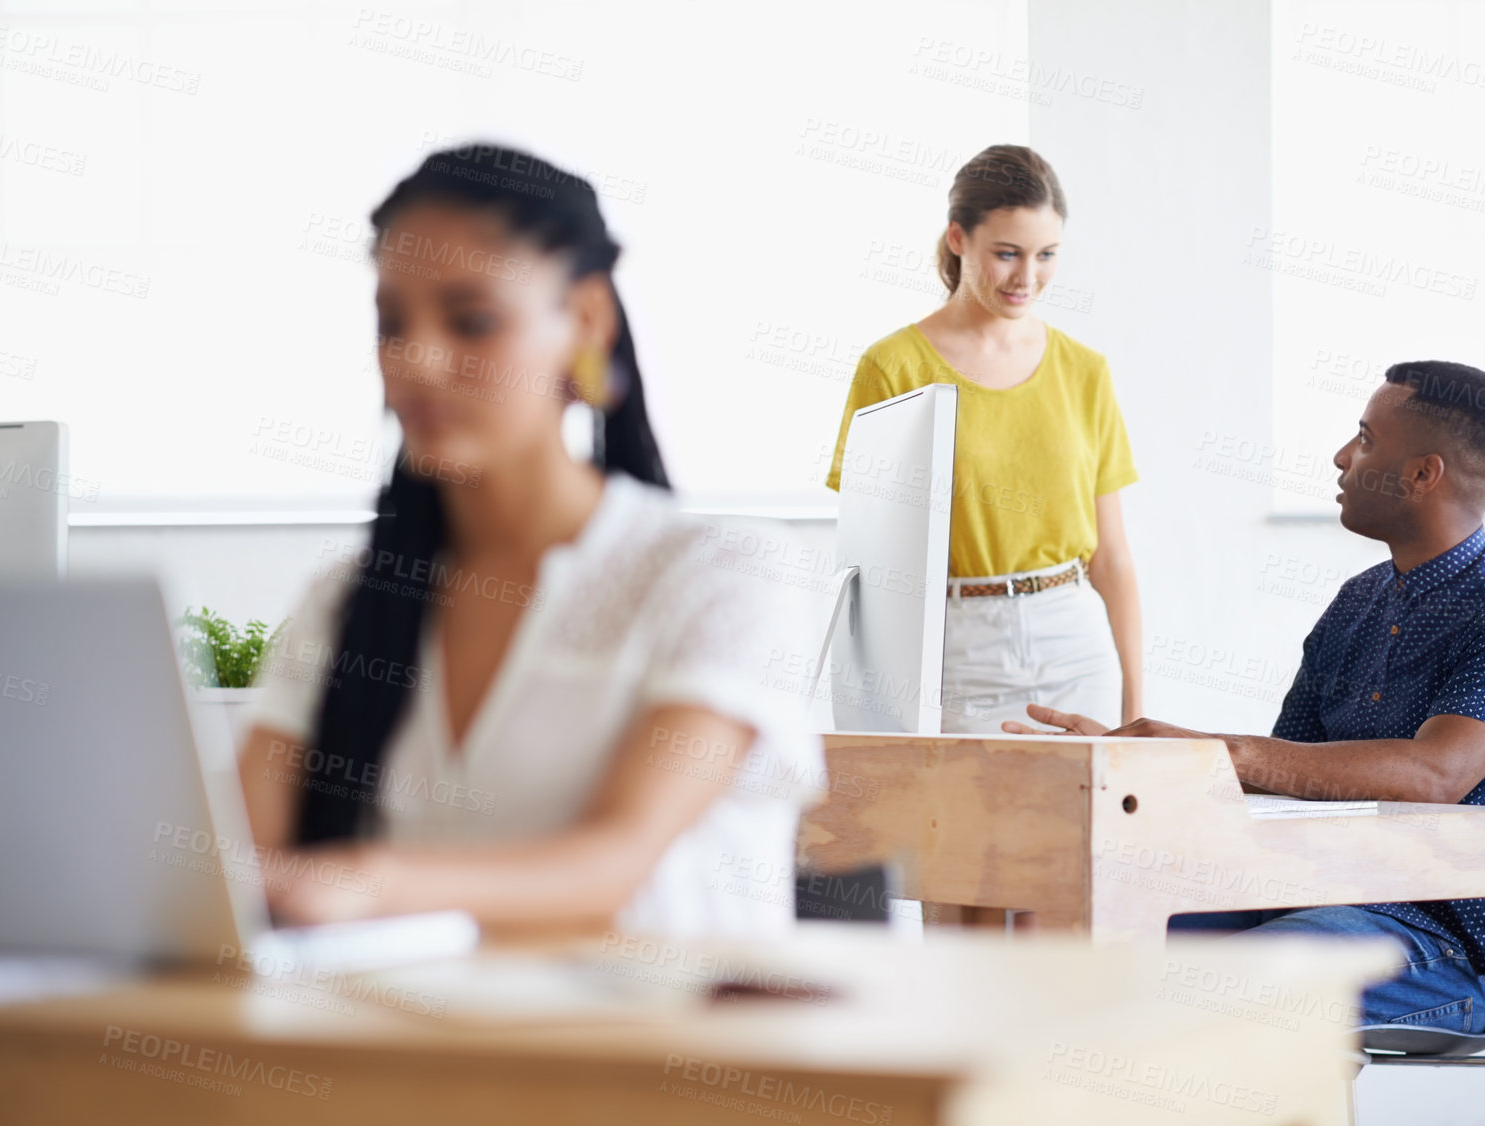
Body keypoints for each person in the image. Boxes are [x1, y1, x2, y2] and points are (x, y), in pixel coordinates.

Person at [237, 144, 823, 938]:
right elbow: (235, 867)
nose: (416, 360)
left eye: (471, 319)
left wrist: (363, 880)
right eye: (391, 323)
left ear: (584, 321)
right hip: (418, 1055)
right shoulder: (341, 604)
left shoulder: (723, 574)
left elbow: (611, 863)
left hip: (663, 1052)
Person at [1006, 362, 1485, 1031]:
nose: (1339, 457)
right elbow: (1276, 787)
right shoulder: (1355, 604)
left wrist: (1222, 751)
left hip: (1443, 945)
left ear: (1422, 473)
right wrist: (1145, 765)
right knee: (1071, 935)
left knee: (1213, 983)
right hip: (1306, 894)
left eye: (1363, 439)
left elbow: (1435, 773)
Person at [825, 144, 1143, 733]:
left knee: (1082, 823)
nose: (1028, 278)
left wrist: (1136, 708)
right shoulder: (893, 367)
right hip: (954, 648)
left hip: (1074, 642)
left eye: (1047, 255)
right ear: (957, 239)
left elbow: (1113, 556)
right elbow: (869, 561)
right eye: (1006, 253)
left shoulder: (1085, 370)